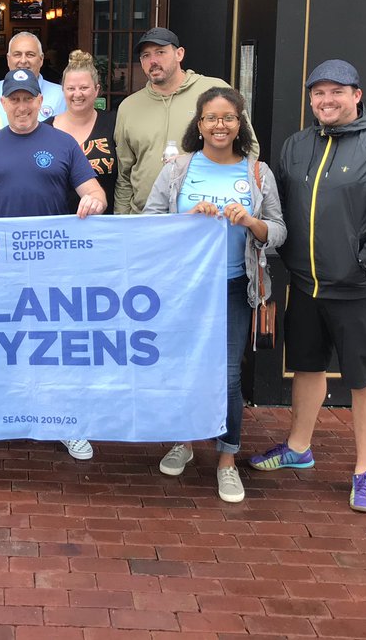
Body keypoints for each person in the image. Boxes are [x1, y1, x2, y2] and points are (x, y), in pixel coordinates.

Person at [250, 60, 366, 514]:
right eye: (318, 93)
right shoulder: (295, 146)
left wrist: (361, 260)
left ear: (357, 95)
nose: (326, 100)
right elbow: (278, 208)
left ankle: (365, 471)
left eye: (336, 92)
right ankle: (298, 447)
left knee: (363, 379)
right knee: (306, 368)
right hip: (305, 286)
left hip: (358, 289)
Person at [0, 68, 106, 460]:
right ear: (3, 103)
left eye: (28, 98)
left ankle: (66, 423)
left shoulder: (64, 143)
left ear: (40, 101)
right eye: (14, 99)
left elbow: (96, 192)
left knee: (55, 347)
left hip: (54, 266)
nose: (21, 106)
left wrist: (93, 202)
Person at [143, 87, 286, 504]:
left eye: (228, 118)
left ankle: (226, 459)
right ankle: (184, 441)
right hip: (185, 287)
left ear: (240, 124)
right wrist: (187, 218)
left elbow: (278, 232)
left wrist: (252, 222)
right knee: (184, 368)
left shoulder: (258, 173)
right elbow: (151, 221)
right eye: (210, 118)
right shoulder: (177, 170)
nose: (219, 125)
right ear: (199, 124)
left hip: (235, 286)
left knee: (227, 375)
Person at [113, 27, 255, 215]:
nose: (153, 61)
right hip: (146, 219)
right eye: (146, 55)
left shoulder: (214, 91)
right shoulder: (129, 107)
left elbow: (249, 148)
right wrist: (123, 222)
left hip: (206, 217)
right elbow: (124, 176)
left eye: (160, 52)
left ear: (179, 54)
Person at [47, 49, 118, 213]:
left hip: (103, 224)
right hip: (56, 228)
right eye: (71, 88)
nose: (77, 94)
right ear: (63, 90)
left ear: (97, 89)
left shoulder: (114, 123)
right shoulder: (45, 129)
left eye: (84, 87)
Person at [0, 31, 66, 124]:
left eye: (30, 55)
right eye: (17, 54)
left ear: (41, 59)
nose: (23, 60)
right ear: (8, 59)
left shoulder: (61, 95)